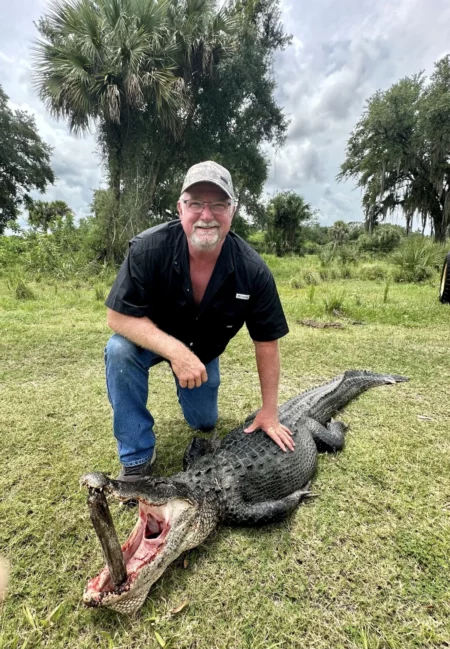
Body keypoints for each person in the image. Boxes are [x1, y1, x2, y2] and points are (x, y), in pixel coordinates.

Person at [105, 161, 294, 482]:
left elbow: (266, 340)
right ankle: (136, 455)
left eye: (218, 204)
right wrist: (178, 354)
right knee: (119, 350)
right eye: (195, 204)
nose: (206, 215)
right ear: (180, 208)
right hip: (150, 341)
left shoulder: (253, 270)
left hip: (204, 353)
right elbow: (117, 315)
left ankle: (192, 390)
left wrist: (270, 412)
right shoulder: (148, 249)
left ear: (232, 210)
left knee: (204, 423)